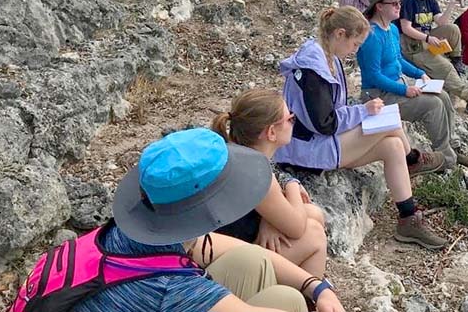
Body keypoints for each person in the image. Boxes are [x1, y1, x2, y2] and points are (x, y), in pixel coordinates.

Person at [72, 128, 346, 312]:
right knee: (288, 301)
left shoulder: (134, 233)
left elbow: (234, 248)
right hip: (163, 298)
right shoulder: (174, 287)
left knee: (251, 260)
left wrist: (316, 286)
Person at [274, 6, 448, 249]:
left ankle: (409, 218)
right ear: (340, 34)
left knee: (393, 145)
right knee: (390, 124)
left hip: (320, 141)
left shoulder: (327, 55)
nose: (355, 50)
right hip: (307, 151)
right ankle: (413, 160)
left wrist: (360, 112)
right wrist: (362, 111)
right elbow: (325, 124)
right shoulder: (313, 69)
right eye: (355, 44)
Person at [210, 89, 328, 276]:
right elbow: (297, 227)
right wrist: (293, 185)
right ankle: (308, 297)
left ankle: (304, 287)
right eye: (290, 119)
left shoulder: (235, 151)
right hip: (225, 267)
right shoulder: (256, 172)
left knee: (313, 213)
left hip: (221, 250)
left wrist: (269, 220)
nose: (293, 123)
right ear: (271, 132)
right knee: (314, 234)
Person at [358, 0, 468, 169]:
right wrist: (405, 89)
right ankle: (446, 158)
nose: (399, 6)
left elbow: (397, 60)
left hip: (395, 86)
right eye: (394, 3)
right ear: (379, 6)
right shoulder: (372, 36)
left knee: (444, 96)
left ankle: (450, 147)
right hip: (377, 96)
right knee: (433, 105)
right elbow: (373, 76)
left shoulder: (392, 30)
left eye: (400, 2)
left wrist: (419, 73)